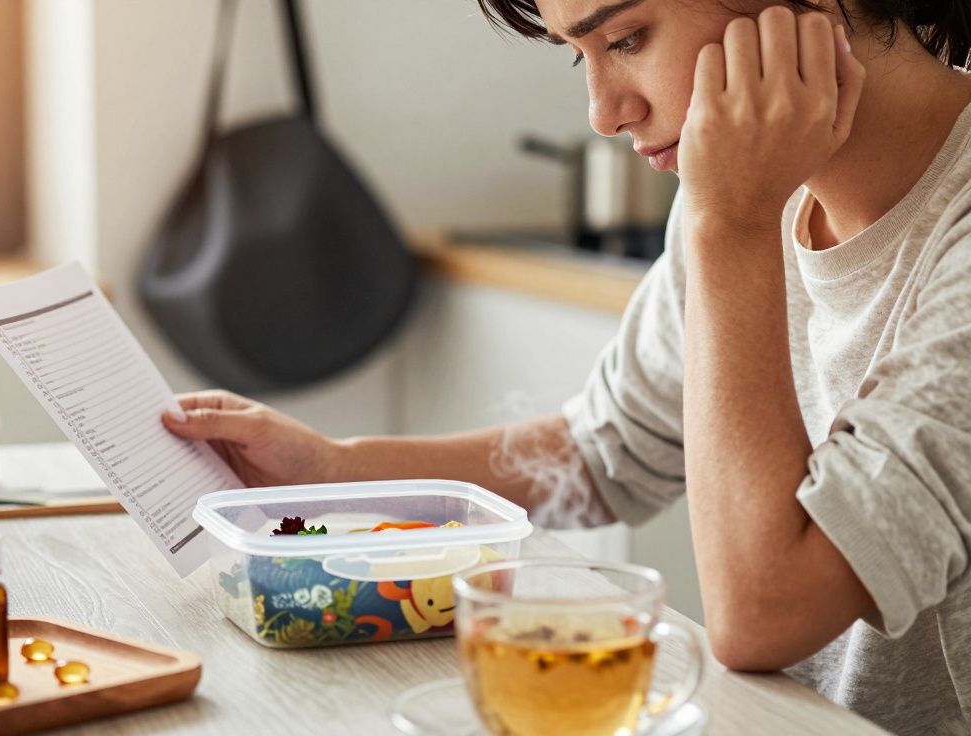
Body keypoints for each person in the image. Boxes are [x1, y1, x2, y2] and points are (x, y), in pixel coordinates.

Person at [162, 1, 971, 733]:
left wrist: (733, 225)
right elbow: (606, 450)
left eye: (626, 38)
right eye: (579, 56)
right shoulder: (744, 194)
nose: (602, 114)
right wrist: (337, 471)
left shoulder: (744, 203)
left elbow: (762, 616)